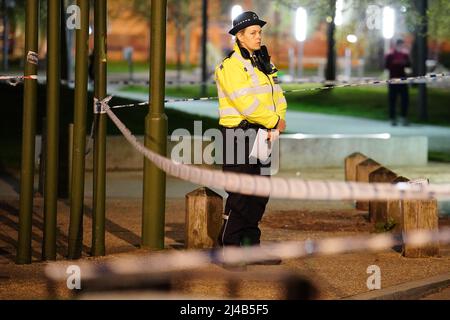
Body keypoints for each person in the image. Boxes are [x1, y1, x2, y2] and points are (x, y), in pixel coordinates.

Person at [214, 11, 287, 266]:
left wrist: (278, 121)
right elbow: (246, 103)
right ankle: (229, 249)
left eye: (260, 32)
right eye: (253, 33)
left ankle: (251, 248)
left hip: (264, 134)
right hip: (238, 134)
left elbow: (279, 96)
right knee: (240, 194)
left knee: (259, 194)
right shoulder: (230, 67)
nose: (258, 37)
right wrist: (273, 121)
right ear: (239, 37)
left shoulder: (264, 63)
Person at [385, 39, 411, 126]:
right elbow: (386, 66)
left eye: (402, 45)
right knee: (392, 100)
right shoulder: (390, 55)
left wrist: (404, 63)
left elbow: (409, 65)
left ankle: (403, 117)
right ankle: (392, 118)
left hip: (403, 80)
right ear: (396, 45)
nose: (401, 47)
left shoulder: (405, 55)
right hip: (393, 80)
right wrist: (395, 63)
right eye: (399, 45)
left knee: (405, 100)